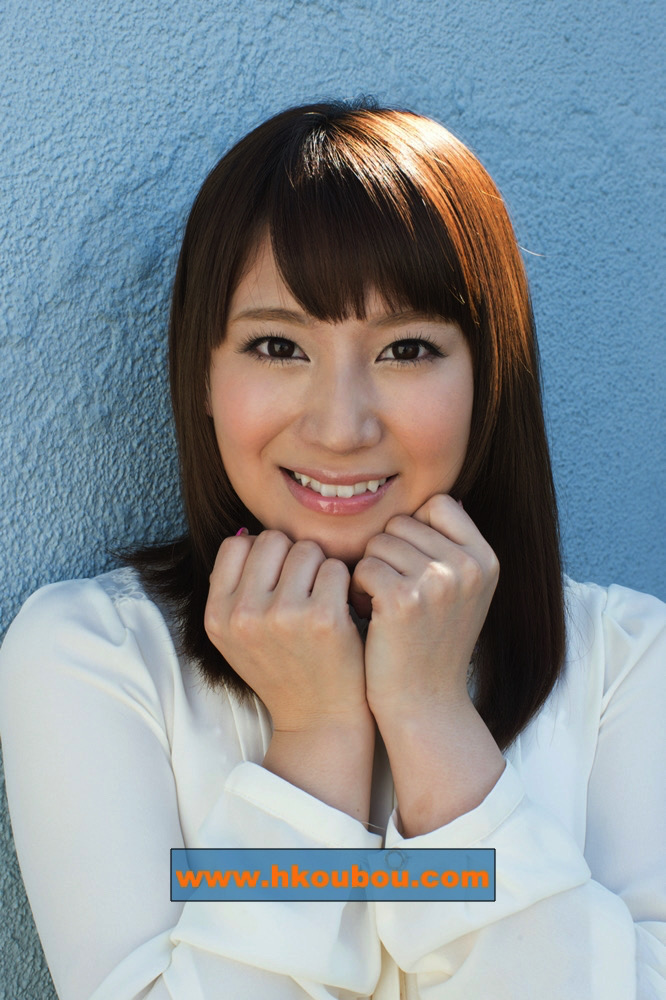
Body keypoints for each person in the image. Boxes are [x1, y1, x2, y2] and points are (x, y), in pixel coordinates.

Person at [0, 100, 664, 1000]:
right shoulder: (95, 655)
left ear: (487, 377)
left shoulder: (629, 665)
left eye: (406, 349)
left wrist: (430, 716)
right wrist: (315, 740)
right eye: (279, 345)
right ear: (203, 373)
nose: (341, 425)